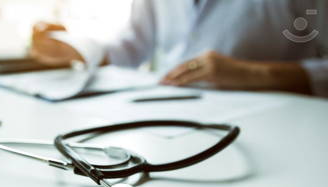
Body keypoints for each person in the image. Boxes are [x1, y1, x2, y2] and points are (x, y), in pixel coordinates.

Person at [30, 0, 328, 97]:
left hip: (280, 120)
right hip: (170, 114)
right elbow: (135, 47)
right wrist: (76, 49)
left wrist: (256, 74)